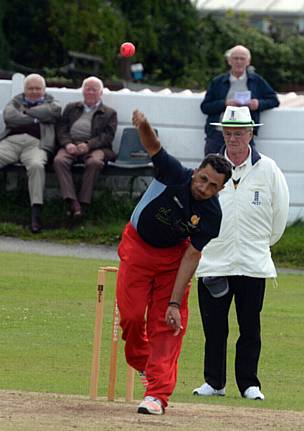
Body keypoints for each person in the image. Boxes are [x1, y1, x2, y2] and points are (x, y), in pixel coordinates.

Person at [116, 110, 232, 415]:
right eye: (203, 179)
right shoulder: (174, 174)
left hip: (174, 260)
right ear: (196, 171)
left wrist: (173, 302)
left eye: (213, 186)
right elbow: (153, 145)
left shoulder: (212, 216)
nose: (204, 188)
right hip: (138, 247)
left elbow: (192, 256)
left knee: (168, 325)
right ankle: (144, 363)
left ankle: (157, 395)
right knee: (129, 317)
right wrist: (142, 125)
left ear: (221, 190)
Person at [193, 106, 289, 401]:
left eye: (239, 133)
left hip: (252, 263)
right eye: (228, 133)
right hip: (214, 261)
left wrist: (258, 245)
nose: (233, 138)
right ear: (222, 133)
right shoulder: (209, 168)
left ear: (251, 133)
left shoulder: (268, 168)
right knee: (214, 328)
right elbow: (193, 206)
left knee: (250, 328)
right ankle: (214, 382)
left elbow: (279, 216)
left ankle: (249, 384)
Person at [0, 74, 61, 233]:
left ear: (44, 90)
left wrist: (26, 112)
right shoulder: (16, 101)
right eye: (30, 88)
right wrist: (38, 118)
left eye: (38, 88)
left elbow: (54, 111)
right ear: (25, 90)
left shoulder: (52, 102)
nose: (34, 91)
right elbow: (10, 117)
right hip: (11, 142)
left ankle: (36, 212)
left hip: (37, 143)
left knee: (36, 166)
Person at [54, 76, 116, 219]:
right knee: (59, 160)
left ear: (101, 92)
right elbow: (61, 129)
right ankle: (73, 202)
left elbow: (107, 136)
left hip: (96, 147)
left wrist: (89, 145)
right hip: (71, 144)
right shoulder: (71, 107)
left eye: (94, 89)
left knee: (94, 162)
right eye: (87, 89)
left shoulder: (109, 113)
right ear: (82, 91)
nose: (90, 92)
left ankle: (83, 203)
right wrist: (67, 143)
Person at [200, 45, 278, 156]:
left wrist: (258, 104)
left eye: (242, 59)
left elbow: (274, 100)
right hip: (218, 134)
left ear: (248, 62)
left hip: (245, 135)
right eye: (235, 58)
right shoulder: (218, 81)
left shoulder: (256, 80)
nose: (239, 62)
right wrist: (225, 103)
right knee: (213, 169)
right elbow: (205, 107)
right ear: (229, 61)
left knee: (246, 168)